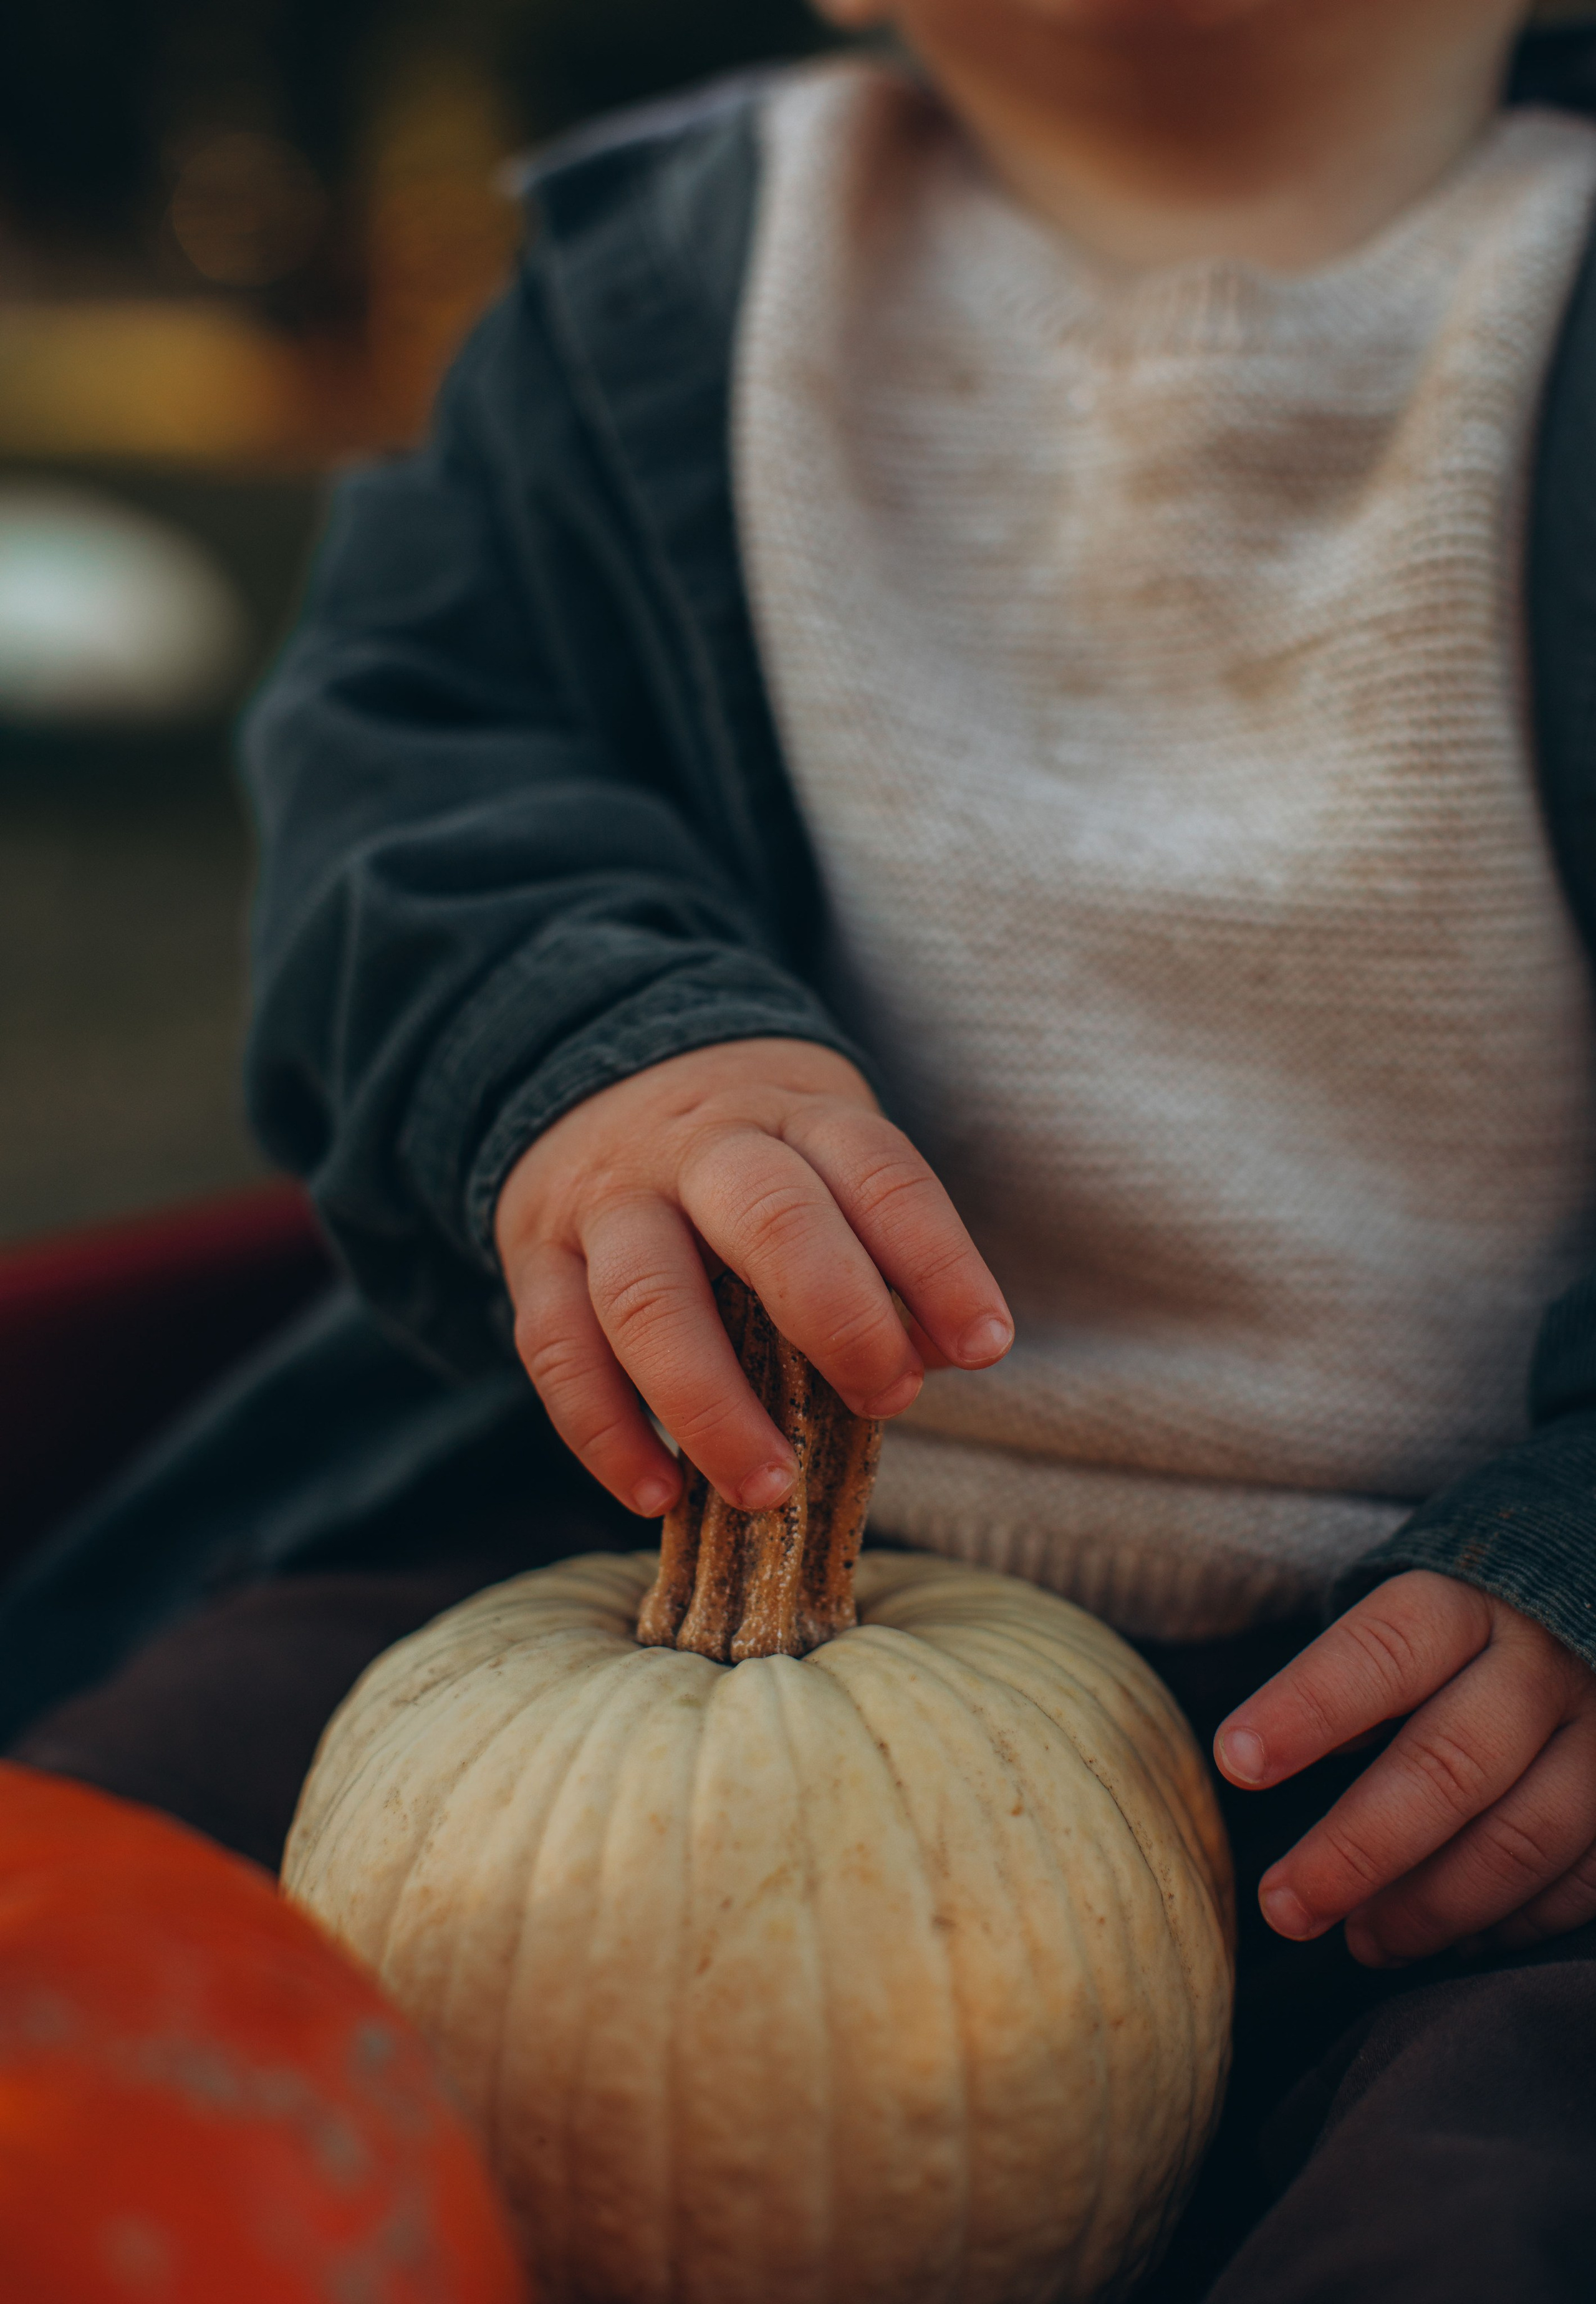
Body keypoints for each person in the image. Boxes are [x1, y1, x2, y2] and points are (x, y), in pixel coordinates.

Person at [6, 2, 1596, 2294]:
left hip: (1445, 1728)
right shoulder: (644, 303)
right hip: (651, 1567)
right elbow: (427, 785)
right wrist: (602, 1058)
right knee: (110, 1871)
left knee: (1512, 2177)